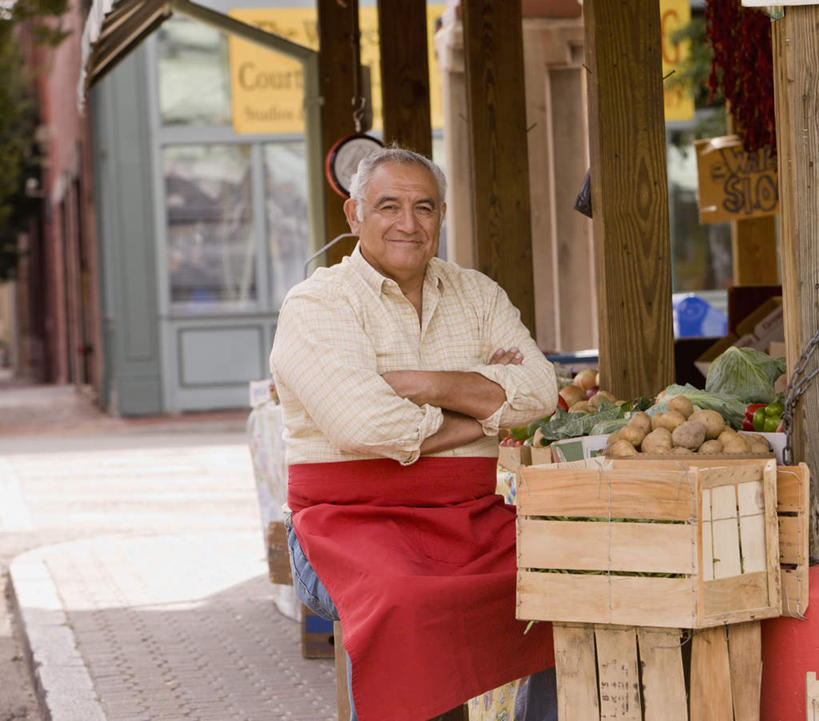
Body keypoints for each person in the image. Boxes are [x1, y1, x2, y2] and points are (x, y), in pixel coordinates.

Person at [270, 146, 558, 721]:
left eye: (424, 207)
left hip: (471, 516)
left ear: (443, 216)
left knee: (567, 580)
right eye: (388, 206)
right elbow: (363, 423)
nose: (408, 223)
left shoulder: (477, 294)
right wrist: (481, 409)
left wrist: (421, 383)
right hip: (346, 522)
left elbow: (539, 392)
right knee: (407, 602)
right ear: (354, 216)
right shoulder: (317, 303)